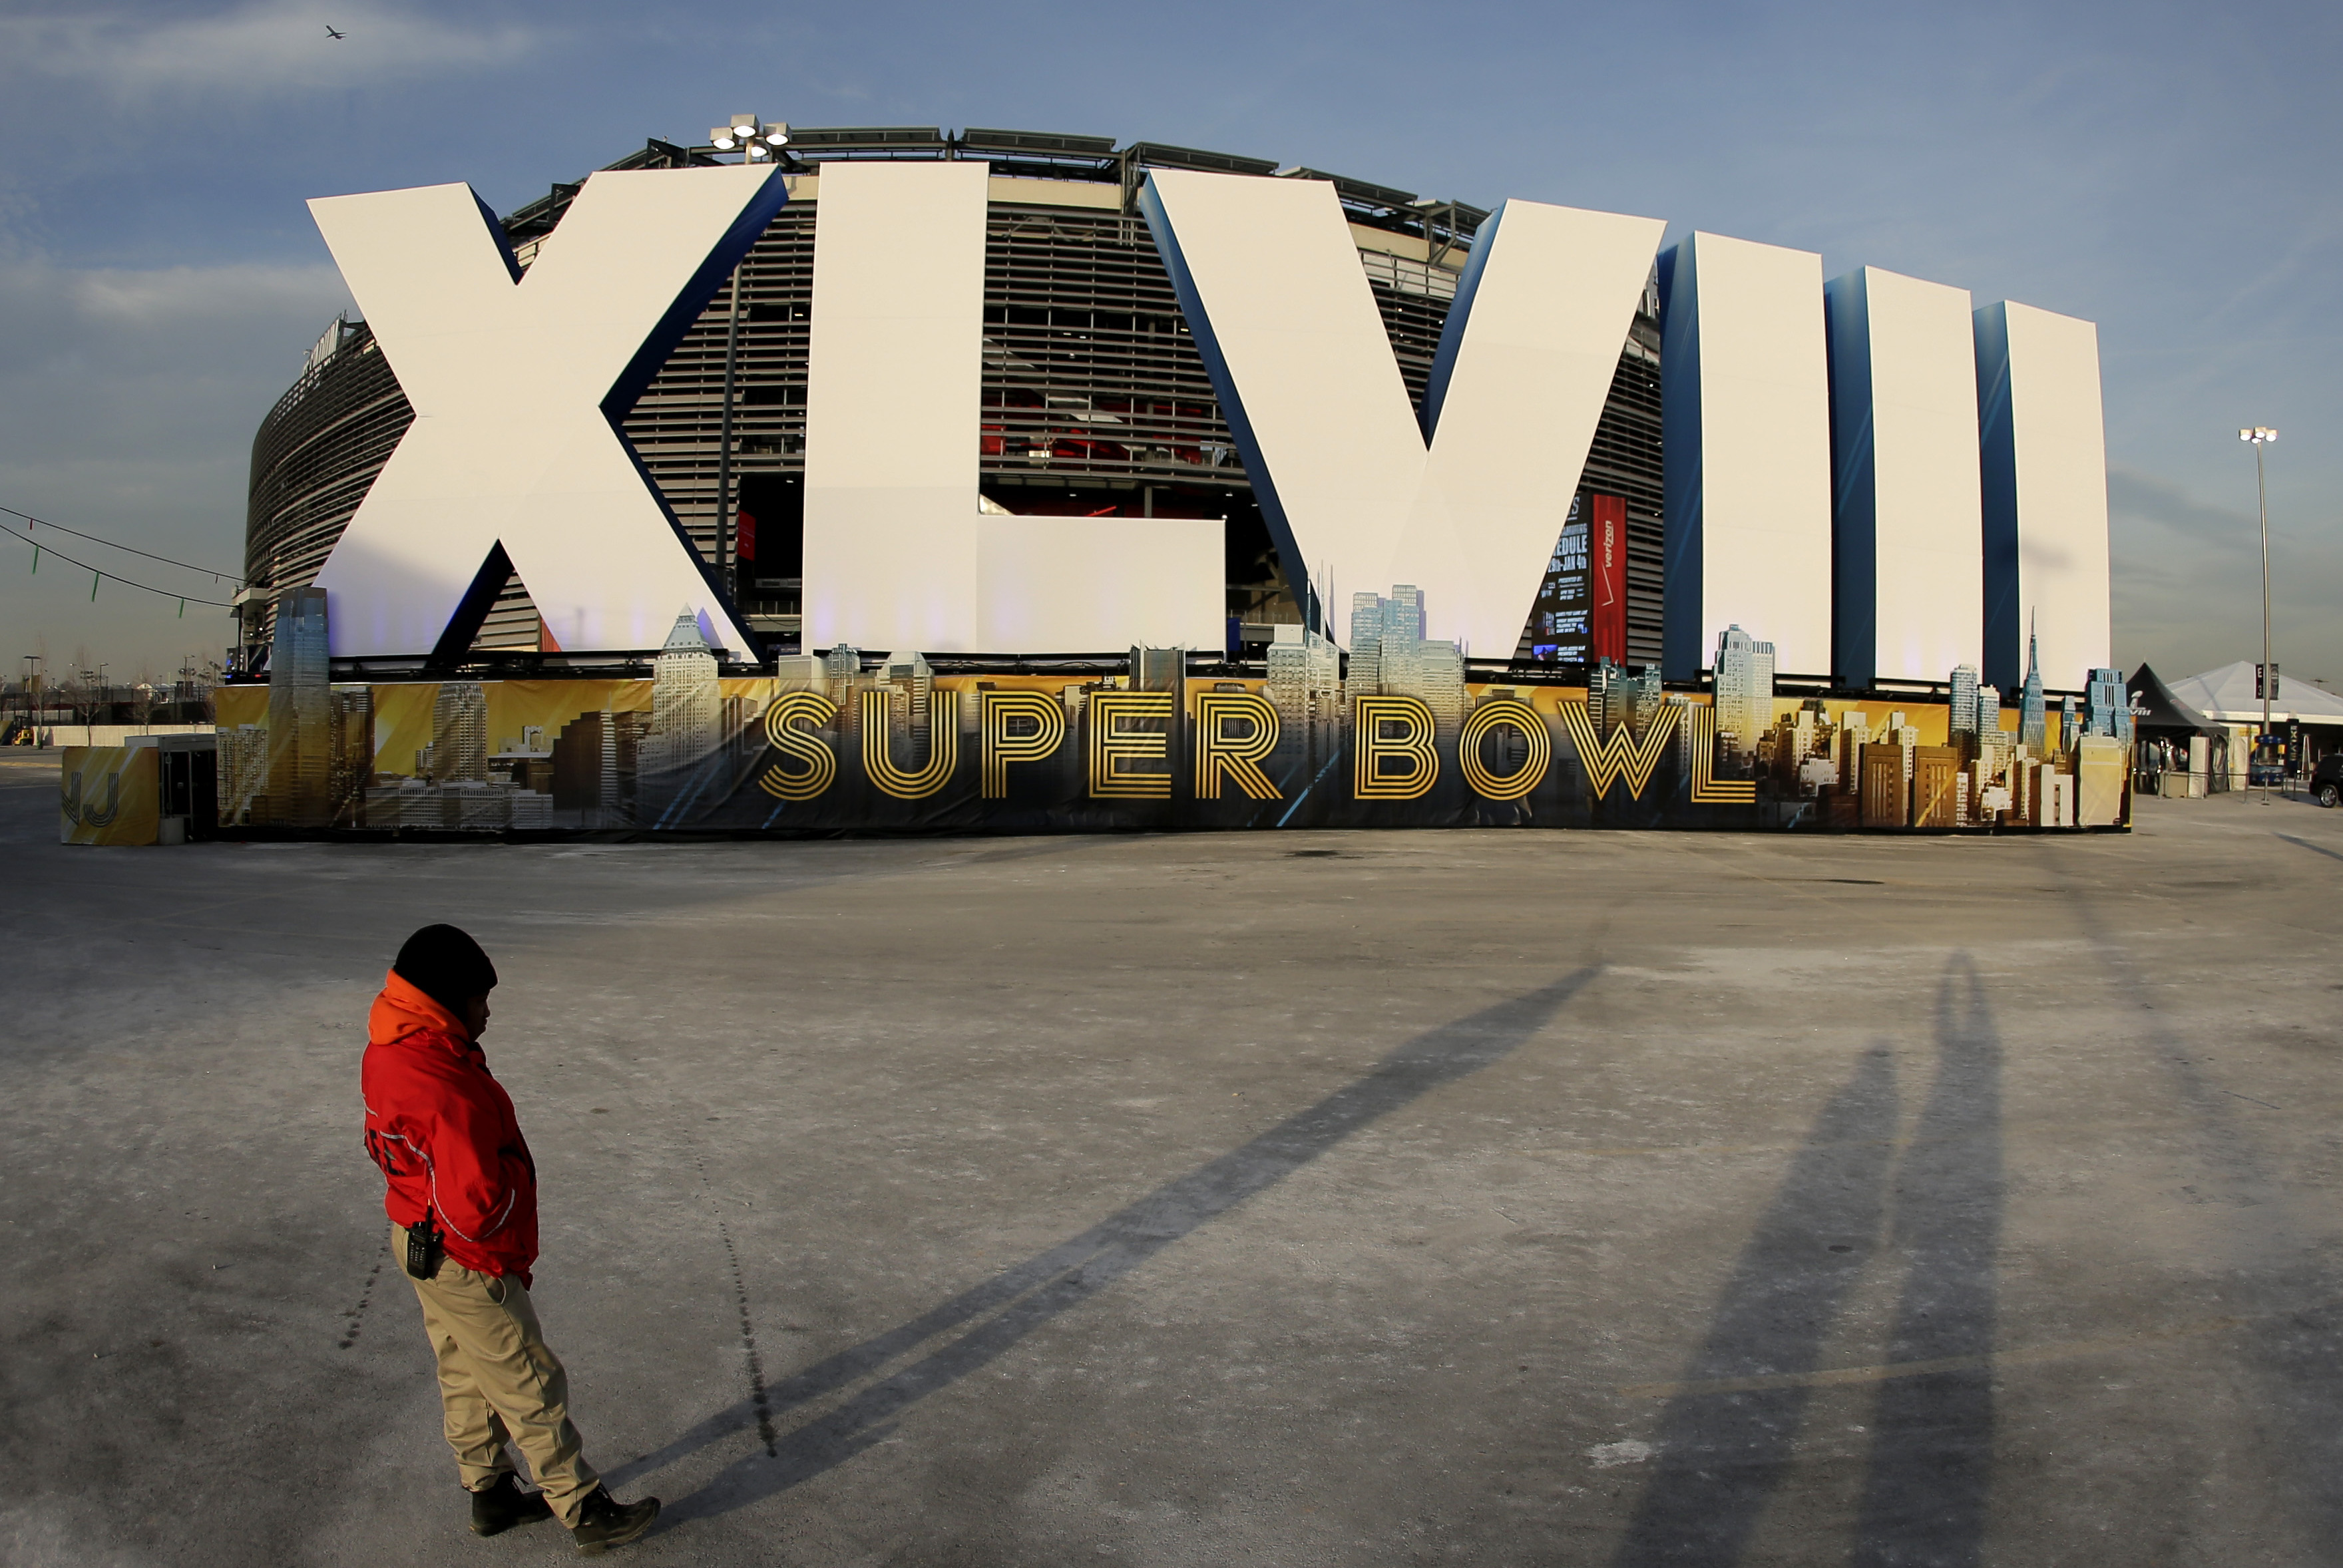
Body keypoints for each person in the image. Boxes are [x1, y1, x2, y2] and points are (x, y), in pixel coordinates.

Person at [361, 924, 661, 1553]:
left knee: (464, 1367)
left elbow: (386, 1146)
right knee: (528, 1377)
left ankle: (489, 1491)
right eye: (478, 1001)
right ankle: (580, 1506)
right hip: (465, 1256)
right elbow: (475, 1206)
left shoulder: (394, 1049)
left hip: (415, 1237)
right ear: (444, 1000)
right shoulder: (442, 1082)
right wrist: (503, 1248)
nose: (488, 1011)